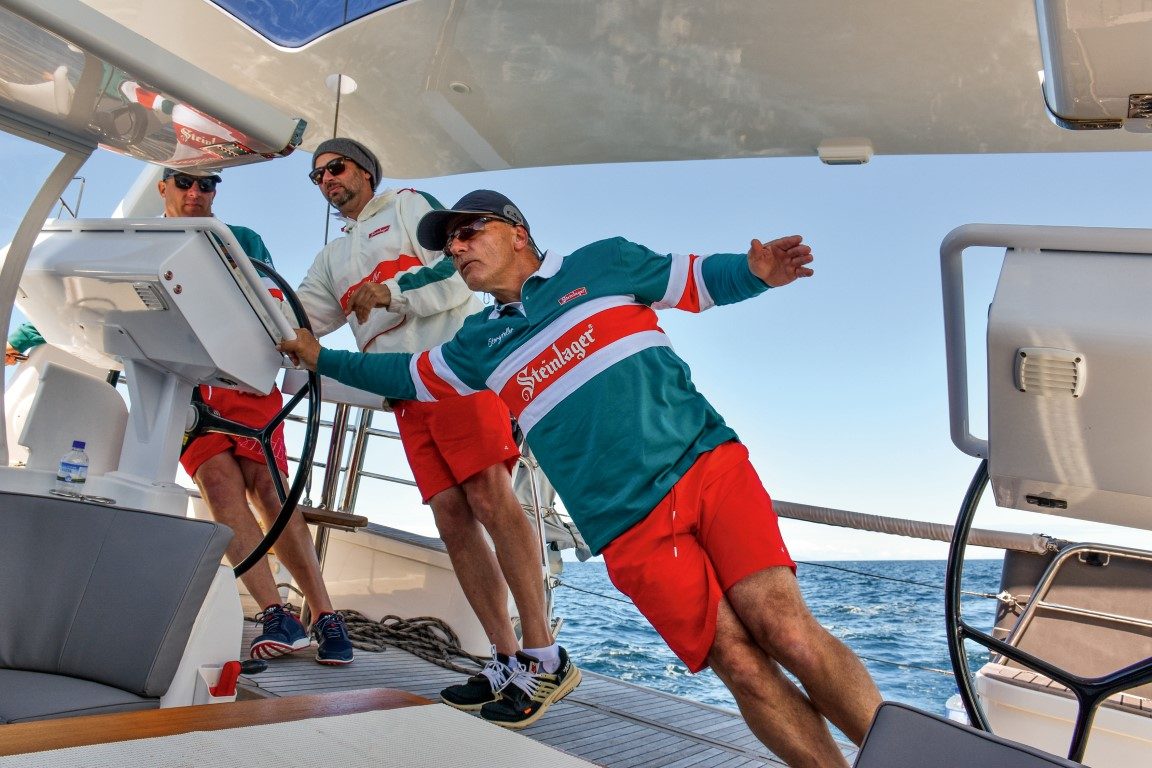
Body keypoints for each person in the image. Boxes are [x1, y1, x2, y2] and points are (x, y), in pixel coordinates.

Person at [280, 190, 883, 765]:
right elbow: (404, 375)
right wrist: (320, 357)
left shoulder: (603, 262)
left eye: (470, 232)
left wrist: (756, 273)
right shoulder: (477, 344)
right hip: (625, 524)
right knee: (739, 663)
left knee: (785, 629)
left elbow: (697, 280)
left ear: (518, 234)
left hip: (706, 467)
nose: (457, 248)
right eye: (450, 243)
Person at [294, 139, 578, 727]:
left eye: (336, 168)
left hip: (452, 369)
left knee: (490, 497)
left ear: (365, 170)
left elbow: (456, 274)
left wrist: (392, 292)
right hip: (402, 389)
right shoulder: (330, 258)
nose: (327, 180)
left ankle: (545, 655)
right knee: (450, 516)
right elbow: (302, 316)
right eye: (317, 176)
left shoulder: (407, 205)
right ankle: (505, 659)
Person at [161, 166, 353, 666]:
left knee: (269, 489)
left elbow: (271, 305)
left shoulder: (240, 240)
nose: (196, 191)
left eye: (207, 184)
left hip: (243, 378)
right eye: (184, 181)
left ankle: (324, 614)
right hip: (185, 387)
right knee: (217, 485)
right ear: (163, 187)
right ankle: (276, 615)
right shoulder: (146, 241)